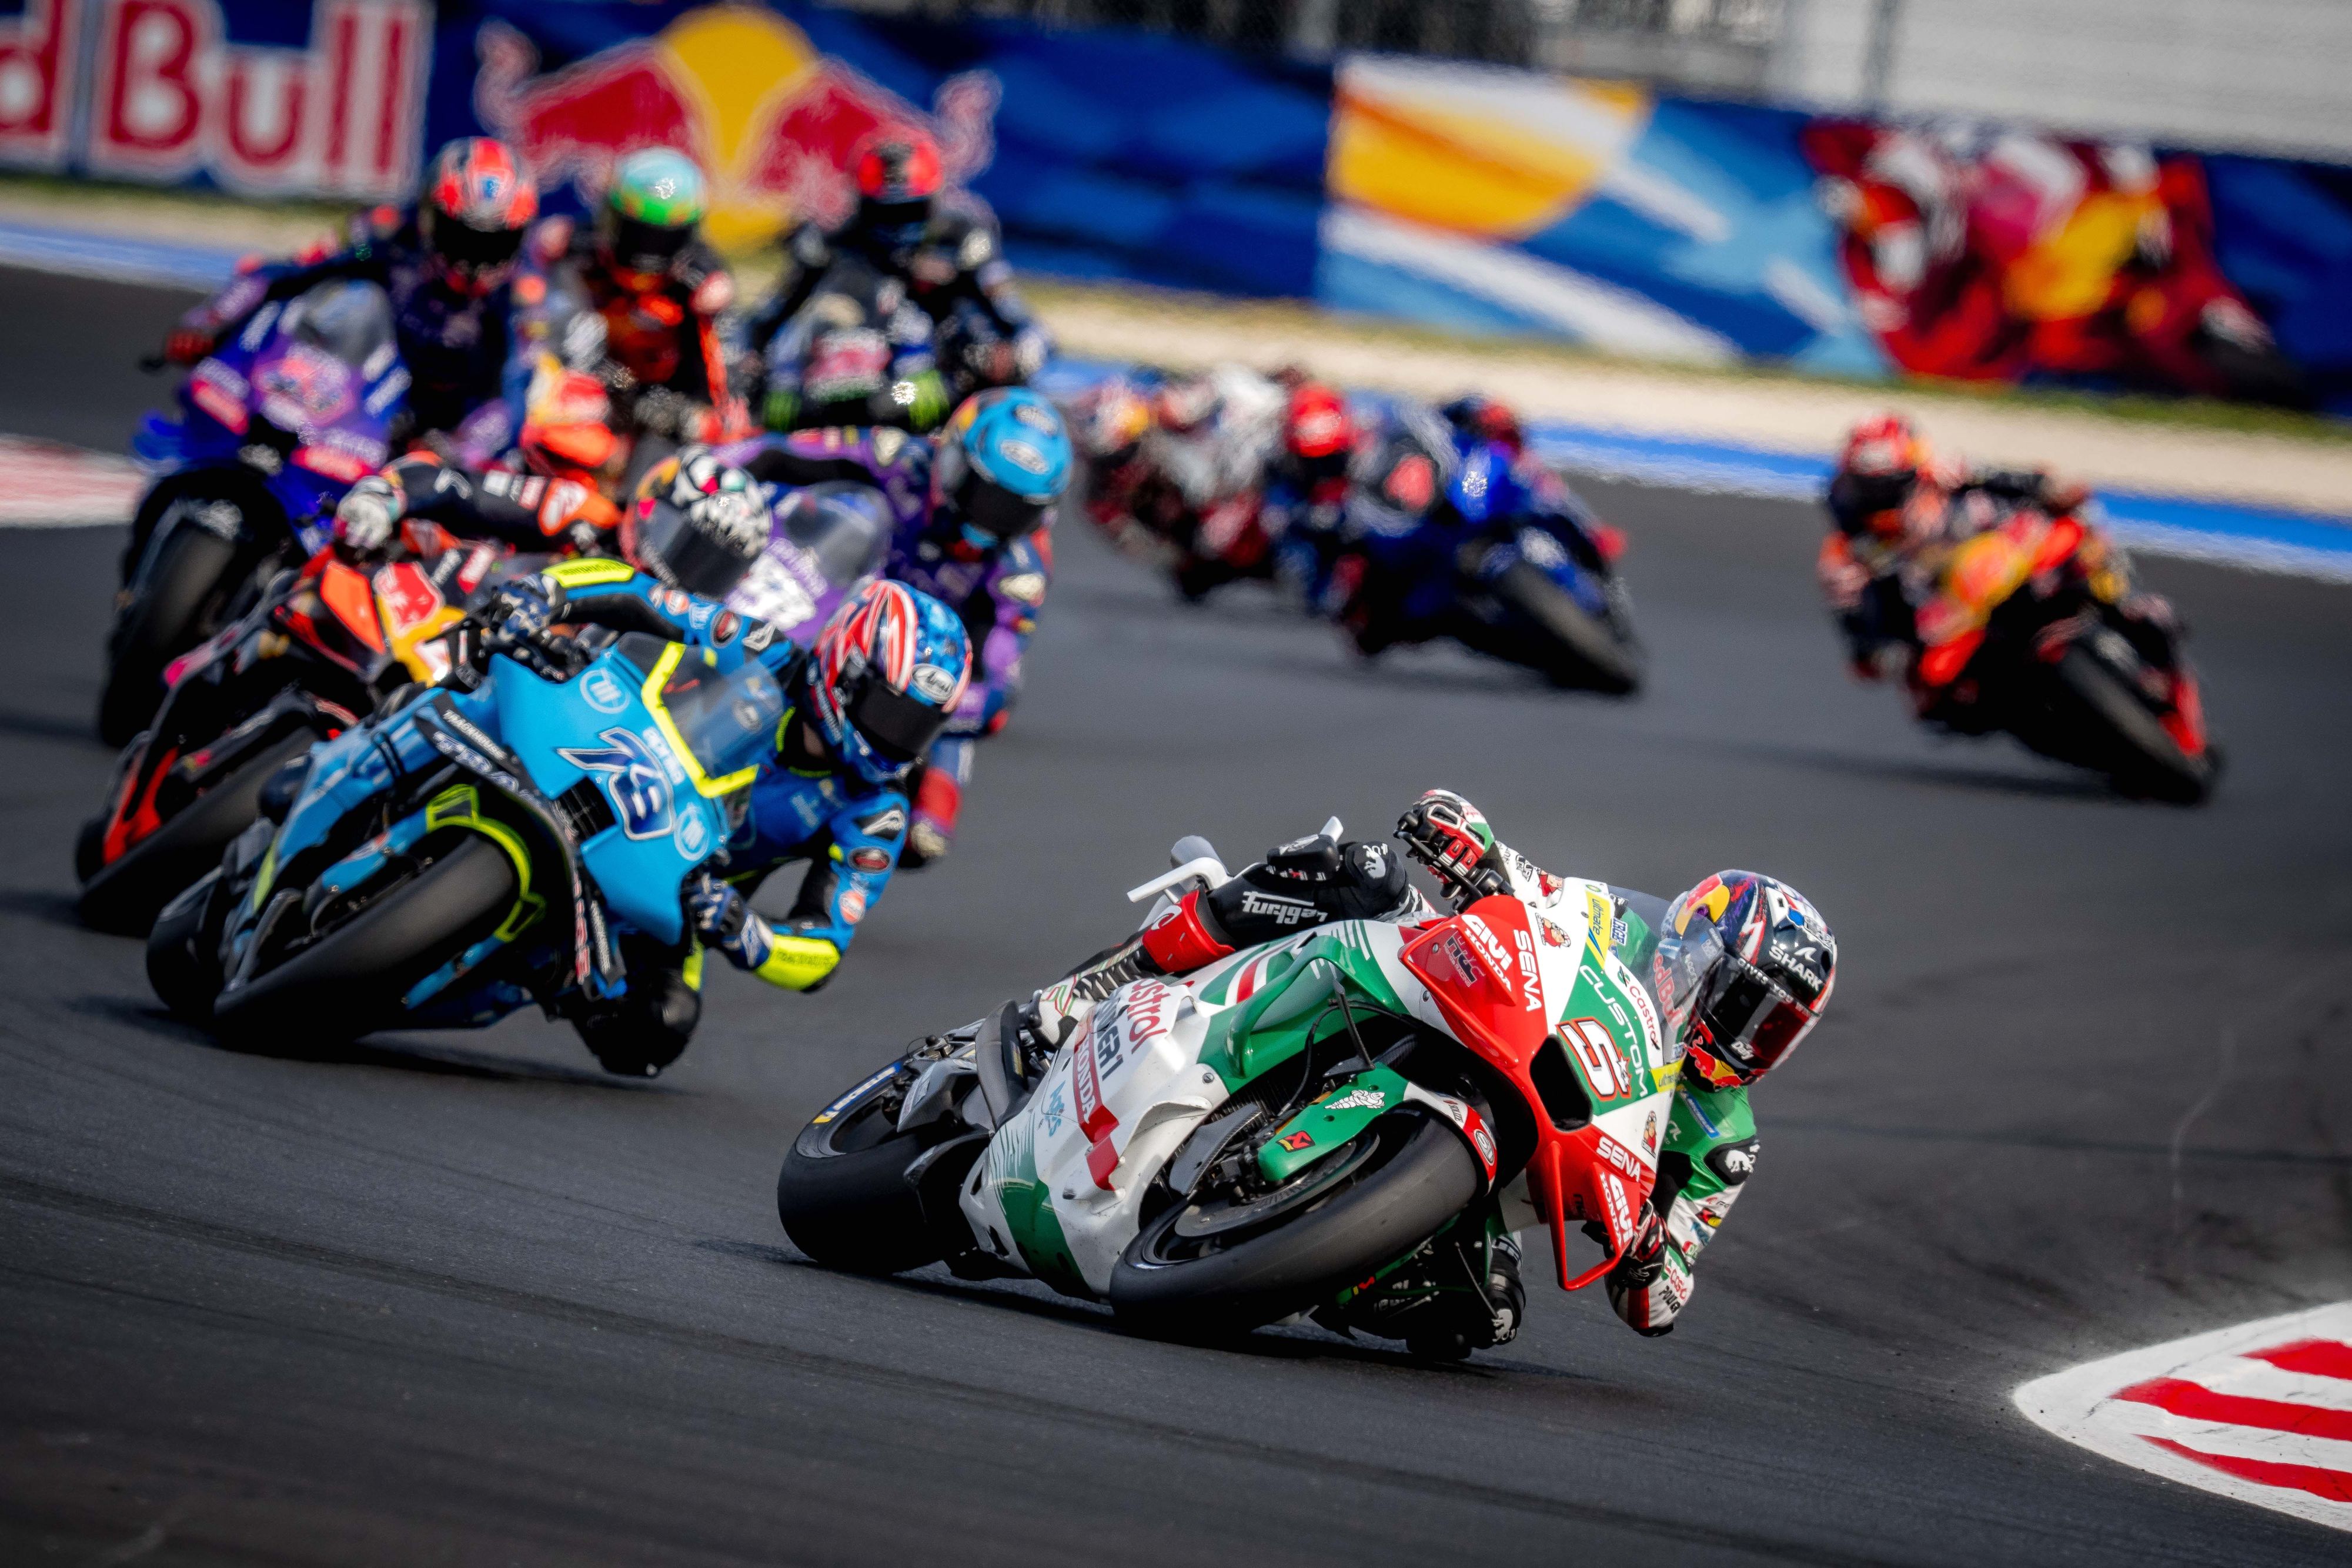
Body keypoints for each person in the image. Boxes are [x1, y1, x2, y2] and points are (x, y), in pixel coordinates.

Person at [1025, 789, 1837, 1355]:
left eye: (1773, 1030)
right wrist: (1467, 841)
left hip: (1505, 1180)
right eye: (1743, 1004)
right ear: (1696, 947)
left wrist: (1650, 1255)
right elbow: (1528, 884)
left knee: (1485, 1313)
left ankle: (1294, 1255)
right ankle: (1122, 972)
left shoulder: (1723, 1140)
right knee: (1362, 873)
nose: (1745, 1039)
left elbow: (1661, 1303)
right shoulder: (1617, 923)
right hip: (1475, 1009)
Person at [342, 450, 971, 1075]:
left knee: (654, 1030)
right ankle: (364, 760)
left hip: (674, 890)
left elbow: (823, 948)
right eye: (890, 713)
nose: (896, 740)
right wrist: (547, 595)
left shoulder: (877, 811)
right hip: (600, 758)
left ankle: (477, 977)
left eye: (917, 727)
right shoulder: (760, 647)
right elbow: (642, 596)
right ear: (845, 668)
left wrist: (745, 929)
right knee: (480, 681)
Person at [719, 385, 1072, 867]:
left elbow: (995, 691)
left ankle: (844, 853)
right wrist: (714, 475)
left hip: (904, 669)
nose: (990, 523)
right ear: (953, 460)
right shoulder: (898, 458)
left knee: (926, 834)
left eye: (1015, 511)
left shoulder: (1021, 571)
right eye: (984, 497)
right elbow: (776, 453)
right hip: (820, 605)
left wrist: (920, 695)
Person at [161, 136, 542, 453]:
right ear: (429, 215)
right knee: (351, 294)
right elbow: (286, 273)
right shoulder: (384, 232)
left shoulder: (522, 297)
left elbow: (514, 398)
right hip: (340, 390)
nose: (474, 259)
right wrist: (210, 320)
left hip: (426, 432)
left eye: (495, 244)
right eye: (462, 236)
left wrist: (457, 448)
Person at [750, 129, 1051, 404]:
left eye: (910, 210)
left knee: (897, 402)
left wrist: (1005, 359)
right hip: (829, 384)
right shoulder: (830, 244)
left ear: (932, 202)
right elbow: (765, 318)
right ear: (862, 205)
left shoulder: (964, 240)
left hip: (918, 387)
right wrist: (747, 361)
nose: (896, 226)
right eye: (884, 212)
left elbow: (1027, 330)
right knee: (771, 395)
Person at [1816, 413, 2094, 681]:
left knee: (2073, 531)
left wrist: (2045, 487)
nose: (1884, 500)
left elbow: (2022, 482)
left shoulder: (1943, 473)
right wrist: (1869, 649)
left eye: (1892, 485)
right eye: (1870, 488)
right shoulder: (1848, 541)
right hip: (1947, 607)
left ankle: (2111, 597)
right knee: (1930, 677)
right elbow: (1858, 623)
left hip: (2006, 553)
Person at [516, 148, 744, 448]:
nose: (645, 253)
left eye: (662, 240)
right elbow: (529, 333)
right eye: (634, 233)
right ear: (610, 217)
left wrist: (681, 416)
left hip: (660, 408)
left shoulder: (706, 288)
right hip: (575, 393)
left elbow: (730, 409)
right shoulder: (565, 247)